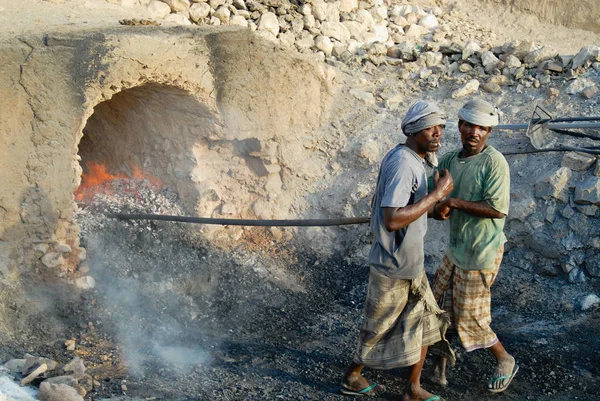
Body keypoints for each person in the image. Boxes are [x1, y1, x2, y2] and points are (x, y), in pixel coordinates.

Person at [341, 101, 453, 401]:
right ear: (414, 130)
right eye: (430, 127)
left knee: (428, 323)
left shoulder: (413, 159)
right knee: (378, 329)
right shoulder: (404, 164)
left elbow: (406, 210)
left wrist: (431, 210)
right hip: (392, 266)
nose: (437, 133)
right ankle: (352, 376)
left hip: (410, 264)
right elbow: (392, 220)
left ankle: (412, 388)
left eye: (440, 127)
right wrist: (437, 196)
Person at [428, 99, 518, 393]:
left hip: (482, 251)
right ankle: (441, 363)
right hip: (456, 249)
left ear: (489, 131)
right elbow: (435, 197)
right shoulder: (450, 160)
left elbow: (497, 209)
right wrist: (439, 207)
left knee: (470, 316)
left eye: (482, 128)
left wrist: (453, 202)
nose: (475, 132)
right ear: (460, 126)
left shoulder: (495, 163)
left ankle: (505, 359)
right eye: (470, 126)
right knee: (439, 305)